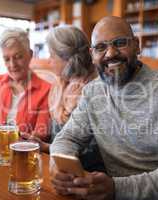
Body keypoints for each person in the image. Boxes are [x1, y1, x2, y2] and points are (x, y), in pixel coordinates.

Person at [50, 16, 158, 200]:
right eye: (101, 47)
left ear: (137, 46)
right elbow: (67, 137)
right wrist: (60, 164)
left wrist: (117, 188)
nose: (110, 53)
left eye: (120, 43)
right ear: (92, 55)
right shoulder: (92, 92)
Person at [26, 25, 105, 172]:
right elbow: (54, 131)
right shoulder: (59, 84)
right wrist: (36, 137)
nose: (49, 61)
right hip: (57, 163)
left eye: (52, 55)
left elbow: (94, 153)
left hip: (85, 174)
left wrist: (47, 147)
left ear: (68, 60)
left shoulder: (96, 91)